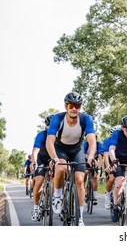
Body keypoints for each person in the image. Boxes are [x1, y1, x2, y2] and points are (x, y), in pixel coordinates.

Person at [46, 92, 97, 226]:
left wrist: (91, 156)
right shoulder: (57, 118)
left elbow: (92, 140)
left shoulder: (86, 119)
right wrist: (54, 158)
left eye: (77, 106)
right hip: (60, 149)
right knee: (61, 169)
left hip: (77, 149)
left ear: (80, 107)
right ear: (66, 106)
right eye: (71, 105)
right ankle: (57, 196)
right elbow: (50, 141)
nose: (74, 108)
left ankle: (80, 218)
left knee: (80, 180)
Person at [30, 114, 53, 221]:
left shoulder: (59, 135)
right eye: (49, 125)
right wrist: (34, 162)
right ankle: (35, 208)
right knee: (39, 181)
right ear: (46, 126)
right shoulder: (42, 135)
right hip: (41, 160)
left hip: (54, 160)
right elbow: (35, 150)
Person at [103, 125, 120, 210]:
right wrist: (107, 166)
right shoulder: (108, 141)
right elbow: (106, 154)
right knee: (111, 178)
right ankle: (108, 194)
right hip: (110, 161)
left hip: (120, 159)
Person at [83, 139, 104, 205]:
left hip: (94, 161)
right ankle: (83, 188)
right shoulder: (85, 144)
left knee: (95, 177)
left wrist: (101, 166)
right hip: (85, 160)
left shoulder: (98, 144)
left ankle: (94, 195)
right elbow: (82, 154)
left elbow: (100, 156)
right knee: (86, 172)